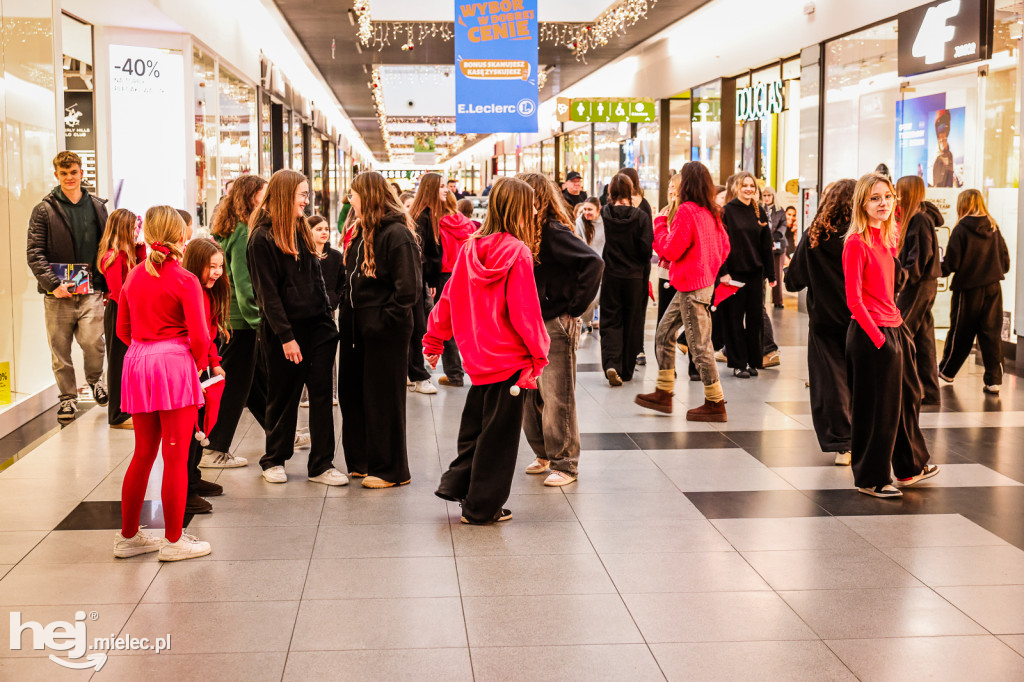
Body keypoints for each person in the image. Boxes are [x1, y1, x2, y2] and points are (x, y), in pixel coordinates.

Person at [426, 176, 550, 524]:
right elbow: (524, 310)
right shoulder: (518, 251)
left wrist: (434, 338)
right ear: (519, 209)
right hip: (509, 361)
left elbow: (449, 298)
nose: (534, 212)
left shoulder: (469, 247)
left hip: (477, 359)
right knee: (499, 439)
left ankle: (457, 484)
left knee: (476, 429)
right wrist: (538, 354)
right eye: (531, 207)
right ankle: (481, 508)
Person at [114, 206, 212, 561]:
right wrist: (194, 364)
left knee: (142, 453)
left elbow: (121, 329)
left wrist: (147, 349)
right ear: (182, 235)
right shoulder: (185, 279)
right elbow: (200, 337)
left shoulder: (133, 275)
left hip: (137, 361)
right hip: (173, 364)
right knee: (175, 456)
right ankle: (173, 541)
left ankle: (128, 536)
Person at [247, 169, 346, 487]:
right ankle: (273, 459)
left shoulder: (301, 228)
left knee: (322, 395)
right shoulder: (261, 238)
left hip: (319, 328)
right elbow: (267, 294)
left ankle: (322, 464)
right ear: (286, 195)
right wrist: (286, 337)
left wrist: (327, 317)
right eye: (302, 194)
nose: (306, 200)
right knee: (283, 396)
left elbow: (315, 278)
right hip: (284, 333)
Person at [843, 172, 937, 498]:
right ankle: (871, 478)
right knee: (876, 411)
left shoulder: (887, 239)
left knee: (907, 400)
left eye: (887, 196)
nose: (883, 203)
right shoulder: (856, 244)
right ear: (862, 203)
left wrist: (896, 333)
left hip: (895, 327)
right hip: (871, 334)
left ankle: (909, 468)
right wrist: (880, 340)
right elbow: (854, 301)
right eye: (875, 198)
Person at [517, 172, 603, 487]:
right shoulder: (527, 231)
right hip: (530, 322)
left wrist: (574, 307)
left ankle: (565, 462)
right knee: (529, 395)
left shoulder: (553, 230)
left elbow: (593, 263)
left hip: (555, 322)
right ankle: (544, 453)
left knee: (557, 394)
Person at [339, 171, 422, 488]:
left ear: (369, 196)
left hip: (383, 332)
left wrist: (381, 322)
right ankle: (362, 460)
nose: (350, 200)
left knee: (383, 399)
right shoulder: (360, 231)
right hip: (355, 330)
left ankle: (390, 469)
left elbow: (408, 290)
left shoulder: (396, 234)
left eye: (354, 194)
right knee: (353, 394)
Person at [635, 161, 730, 421]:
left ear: (686, 184)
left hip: (693, 287)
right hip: (696, 284)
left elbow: (670, 249)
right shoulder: (712, 211)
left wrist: (659, 224)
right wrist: (708, 267)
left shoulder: (687, 211)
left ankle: (715, 402)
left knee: (699, 347)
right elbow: (725, 248)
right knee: (664, 332)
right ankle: (664, 393)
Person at [27, 151, 110, 423]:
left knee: (93, 341)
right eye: (64, 174)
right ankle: (67, 398)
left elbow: (107, 248)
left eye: (73, 172)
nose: (69, 177)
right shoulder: (43, 210)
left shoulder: (97, 206)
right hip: (57, 294)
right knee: (60, 350)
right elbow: (34, 253)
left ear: (81, 173)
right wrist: (53, 284)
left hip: (91, 290)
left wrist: (107, 285)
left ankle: (95, 381)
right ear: (56, 175)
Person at [784, 179, 856, 466]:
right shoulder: (863, 236)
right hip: (862, 319)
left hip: (825, 319)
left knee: (830, 380)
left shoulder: (815, 234)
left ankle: (842, 443)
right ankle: (866, 437)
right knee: (861, 378)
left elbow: (794, 280)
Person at [202, 175, 268, 468]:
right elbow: (243, 281)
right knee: (234, 388)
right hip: (240, 320)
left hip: (229, 316)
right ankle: (215, 449)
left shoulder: (229, 227)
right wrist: (257, 320)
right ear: (251, 196)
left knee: (250, 383)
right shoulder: (242, 231)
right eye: (263, 194)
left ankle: (279, 431)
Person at [938, 189, 1011, 394]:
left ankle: (947, 371)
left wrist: (934, 270)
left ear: (962, 204)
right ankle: (993, 381)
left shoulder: (961, 229)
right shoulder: (994, 227)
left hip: (967, 290)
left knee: (961, 332)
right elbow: (1005, 262)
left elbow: (951, 263)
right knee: (991, 334)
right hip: (993, 289)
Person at [181, 238, 230, 514]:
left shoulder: (207, 293)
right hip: (186, 368)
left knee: (199, 427)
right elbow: (191, 334)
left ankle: (193, 478)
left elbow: (208, 331)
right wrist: (201, 364)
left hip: (200, 368)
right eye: (212, 266)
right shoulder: (190, 292)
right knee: (190, 432)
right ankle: (186, 490)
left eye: (220, 266)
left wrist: (213, 361)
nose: (217, 272)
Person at [410, 173, 465, 387]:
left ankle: (451, 373)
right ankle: (450, 372)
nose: (446, 189)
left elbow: (430, 254)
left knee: (440, 323)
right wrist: (431, 281)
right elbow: (428, 254)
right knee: (443, 323)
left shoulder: (428, 217)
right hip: (443, 277)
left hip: (437, 278)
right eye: (441, 186)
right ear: (431, 189)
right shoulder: (427, 217)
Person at [599, 173, 653, 386]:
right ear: (631, 191)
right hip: (634, 277)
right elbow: (646, 250)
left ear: (610, 192)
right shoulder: (641, 217)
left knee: (611, 320)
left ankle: (612, 362)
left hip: (611, 275)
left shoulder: (604, 213)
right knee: (632, 321)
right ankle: (627, 370)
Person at [720, 172, 776, 377]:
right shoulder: (726, 211)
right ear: (736, 187)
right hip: (733, 276)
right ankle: (738, 363)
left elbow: (766, 245)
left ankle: (753, 361)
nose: (748, 189)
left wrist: (771, 275)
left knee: (755, 320)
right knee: (734, 320)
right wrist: (723, 272)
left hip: (755, 274)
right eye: (744, 185)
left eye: (752, 186)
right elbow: (721, 244)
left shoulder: (759, 211)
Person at [894, 175, 942, 405]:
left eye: (898, 191)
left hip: (919, 286)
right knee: (924, 339)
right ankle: (930, 392)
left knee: (900, 334)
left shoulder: (919, 219)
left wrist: (902, 279)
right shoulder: (919, 218)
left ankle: (903, 388)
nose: (896, 196)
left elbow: (919, 259)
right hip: (923, 284)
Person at [97, 208, 144, 429]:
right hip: (119, 312)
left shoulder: (127, 254)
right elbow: (118, 292)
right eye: (133, 227)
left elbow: (143, 274)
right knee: (118, 363)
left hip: (127, 311)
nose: (136, 231)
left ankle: (126, 410)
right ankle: (116, 415)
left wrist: (140, 250)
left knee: (127, 363)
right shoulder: (114, 257)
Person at [578, 197, 604, 332]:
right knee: (591, 299)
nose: (586, 212)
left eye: (590, 209)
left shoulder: (605, 222)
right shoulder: (580, 222)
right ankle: (586, 321)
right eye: (585, 209)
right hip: (589, 265)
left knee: (601, 297)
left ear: (598, 210)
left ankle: (598, 320)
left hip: (604, 264)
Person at [763, 186, 787, 309]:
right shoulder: (759, 209)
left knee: (777, 273)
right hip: (763, 245)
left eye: (769, 195)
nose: (767, 198)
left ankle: (778, 300)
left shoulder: (780, 210)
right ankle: (761, 301)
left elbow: (784, 225)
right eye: (764, 195)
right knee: (763, 274)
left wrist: (775, 236)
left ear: (773, 196)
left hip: (778, 244)